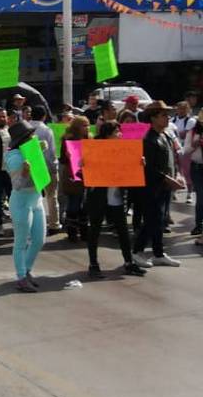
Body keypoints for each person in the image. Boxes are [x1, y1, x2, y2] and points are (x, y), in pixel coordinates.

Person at [83, 121, 148, 278]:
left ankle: (128, 262)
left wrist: (140, 164)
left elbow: (131, 171)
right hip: (98, 197)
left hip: (116, 197)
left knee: (123, 230)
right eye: (116, 132)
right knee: (95, 230)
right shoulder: (94, 149)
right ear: (107, 135)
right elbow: (82, 171)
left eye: (119, 132)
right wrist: (83, 164)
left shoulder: (124, 150)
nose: (119, 135)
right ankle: (93, 264)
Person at [135, 101, 183, 267]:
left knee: (160, 220)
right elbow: (149, 168)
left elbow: (172, 159)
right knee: (151, 221)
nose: (167, 118)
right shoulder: (148, 139)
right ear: (153, 118)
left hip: (165, 187)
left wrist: (178, 175)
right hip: (151, 187)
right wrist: (167, 179)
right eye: (163, 115)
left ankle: (158, 253)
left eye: (167, 115)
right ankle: (137, 251)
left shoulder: (166, 135)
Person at [4, 122, 47, 292]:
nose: (34, 137)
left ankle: (26, 270)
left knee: (39, 239)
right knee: (21, 242)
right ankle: (21, 277)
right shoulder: (14, 157)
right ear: (23, 140)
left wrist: (40, 150)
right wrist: (24, 173)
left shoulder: (31, 148)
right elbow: (17, 185)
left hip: (35, 199)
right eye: (30, 136)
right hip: (21, 201)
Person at [28, 105, 60, 235]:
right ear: (44, 116)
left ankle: (32, 224)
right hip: (46, 165)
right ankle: (54, 224)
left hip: (31, 166)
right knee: (52, 197)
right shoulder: (47, 130)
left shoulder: (26, 128)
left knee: (33, 198)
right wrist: (54, 168)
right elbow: (52, 151)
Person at [59, 116, 90, 243]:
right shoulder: (69, 140)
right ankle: (72, 232)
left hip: (86, 175)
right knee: (74, 204)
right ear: (77, 127)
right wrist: (67, 156)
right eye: (84, 125)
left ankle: (84, 232)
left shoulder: (89, 139)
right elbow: (62, 160)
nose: (87, 128)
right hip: (72, 175)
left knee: (85, 205)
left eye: (88, 125)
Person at [184, 112, 203, 236]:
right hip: (197, 167)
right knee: (201, 197)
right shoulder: (192, 132)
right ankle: (199, 225)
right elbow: (185, 151)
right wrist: (194, 145)